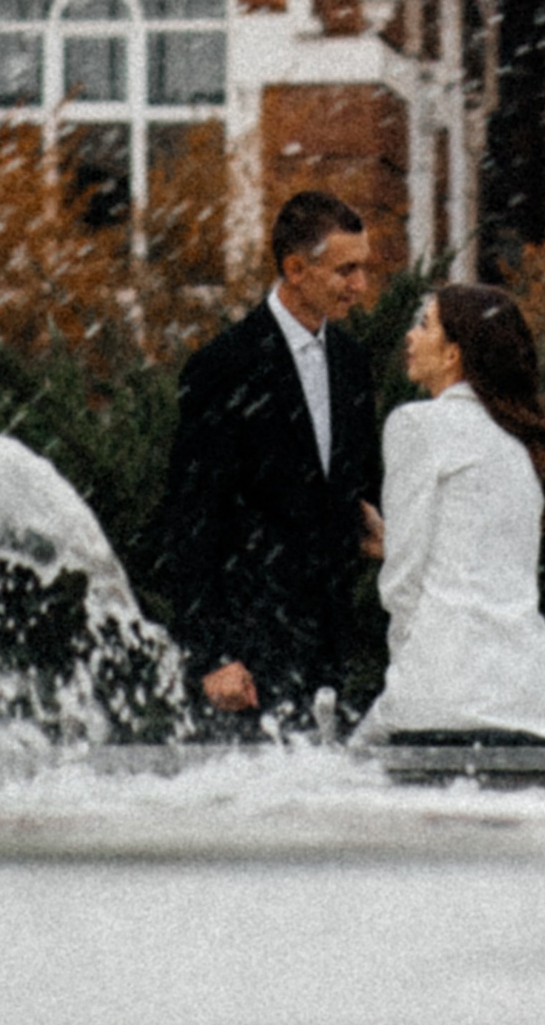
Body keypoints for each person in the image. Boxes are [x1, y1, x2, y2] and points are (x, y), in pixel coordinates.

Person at [161, 189, 381, 728]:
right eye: (346, 270)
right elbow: (191, 519)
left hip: (334, 650)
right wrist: (210, 655)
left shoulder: (353, 365)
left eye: (363, 269)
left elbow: (350, 488)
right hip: (247, 656)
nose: (361, 286)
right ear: (296, 268)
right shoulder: (223, 367)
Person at [355, 283, 545, 746]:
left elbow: (405, 580)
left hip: (444, 697)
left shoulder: (417, 425)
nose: (410, 336)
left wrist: (407, 673)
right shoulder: (521, 444)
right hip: (531, 701)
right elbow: (479, 553)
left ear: (454, 354)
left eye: (424, 325)